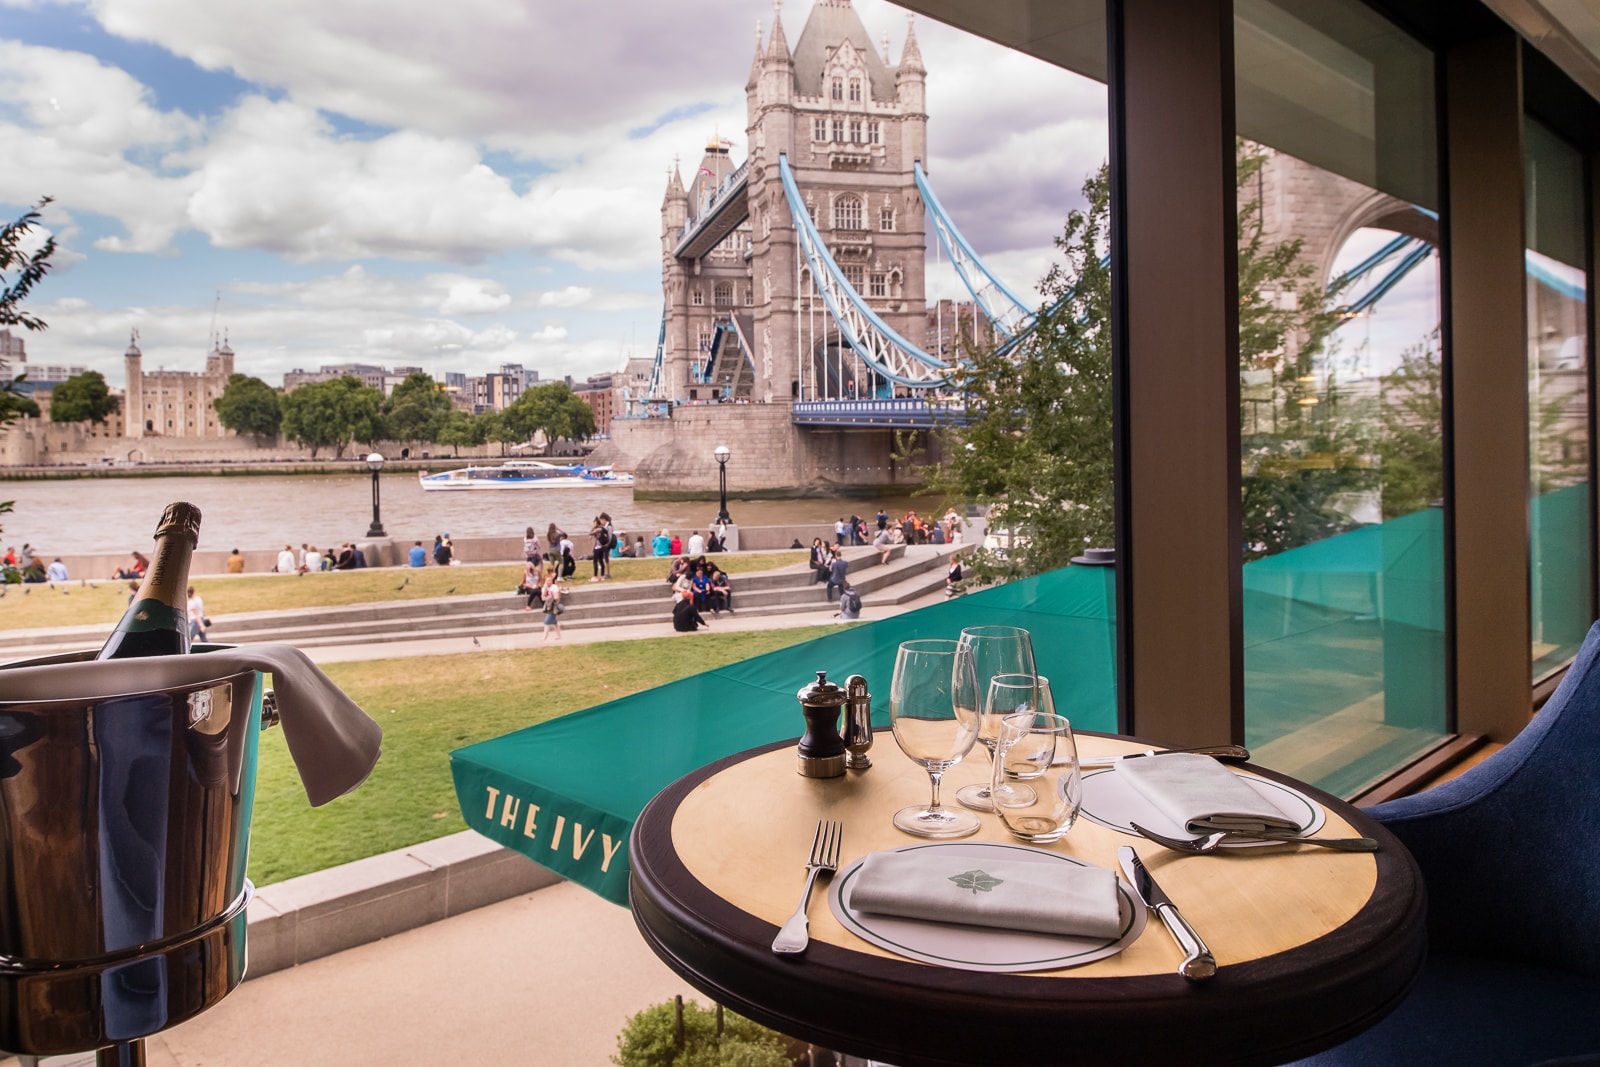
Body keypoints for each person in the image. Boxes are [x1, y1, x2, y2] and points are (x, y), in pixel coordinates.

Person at [540, 570, 563, 641]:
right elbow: (543, 598)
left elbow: (556, 597)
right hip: (548, 607)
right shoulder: (544, 588)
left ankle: (544, 637)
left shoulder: (554, 587)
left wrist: (550, 597)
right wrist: (545, 589)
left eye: (550, 580)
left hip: (553, 607)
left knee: (546, 622)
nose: (549, 582)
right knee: (555, 623)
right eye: (548, 581)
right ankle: (559, 636)